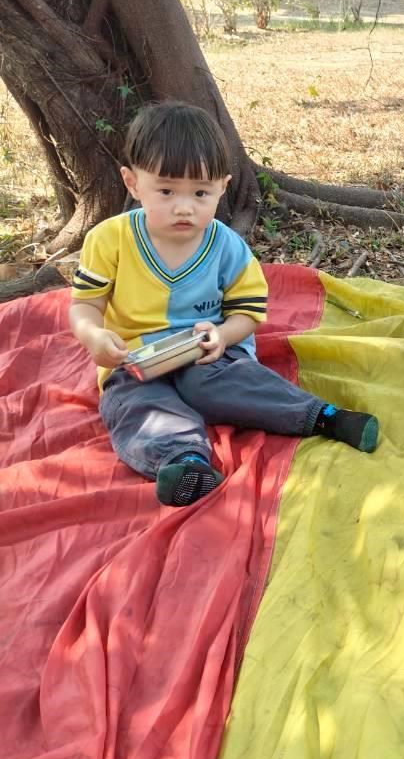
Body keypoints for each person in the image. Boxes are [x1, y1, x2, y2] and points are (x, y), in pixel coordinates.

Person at [70, 102, 379, 506]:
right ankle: (185, 462)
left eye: (200, 193)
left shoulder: (227, 246)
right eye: (166, 191)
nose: (184, 207)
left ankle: (323, 416)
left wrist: (222, 335)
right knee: (135, 403)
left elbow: (247, 314)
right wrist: (93, 336)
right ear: (132, 183)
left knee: (222, 384)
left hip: (209, 354)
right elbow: (85, 305)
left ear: (222, 187)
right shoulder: (108, 240)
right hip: (135, 361)